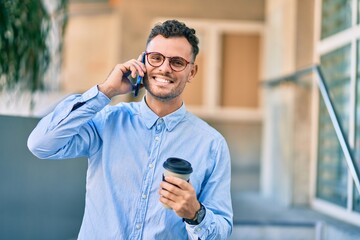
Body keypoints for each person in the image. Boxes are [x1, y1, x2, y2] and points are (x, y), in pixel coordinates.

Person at [28, 19, 233, 239]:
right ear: (143, 62)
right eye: (156, 58)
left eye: (177, 62)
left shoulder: (212, 144)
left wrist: (196, 214)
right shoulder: (107, 121)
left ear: (191, 72)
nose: (164, 68)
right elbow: (41, 144)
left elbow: (221, 231)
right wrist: (106, 90)